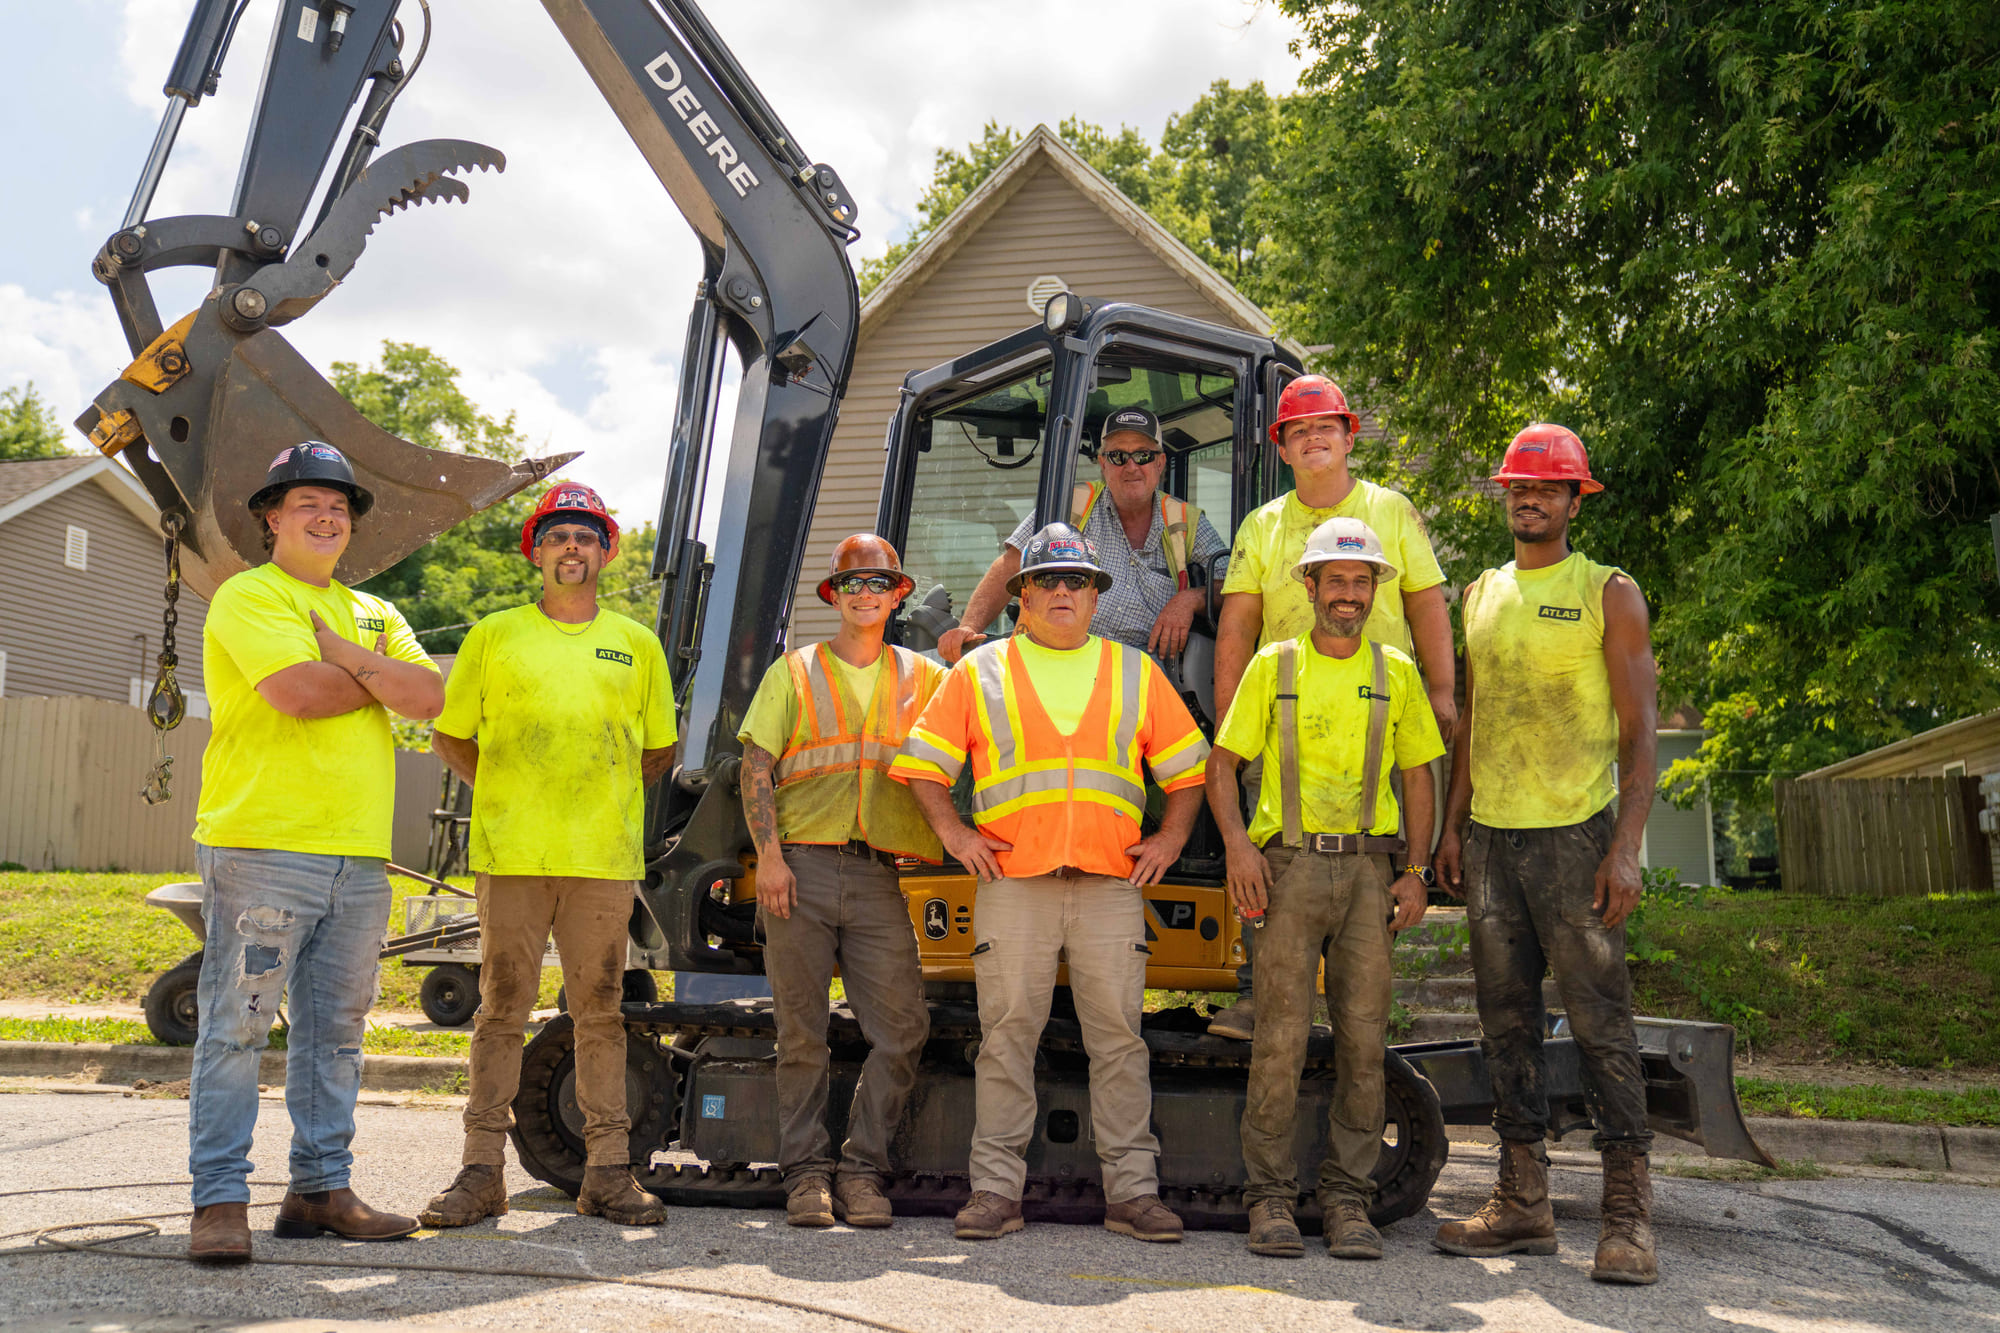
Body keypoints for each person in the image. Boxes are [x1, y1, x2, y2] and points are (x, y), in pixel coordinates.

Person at [891, 523, 1211, 1244]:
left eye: (1078, 581)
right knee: (1006, 1035)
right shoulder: (982, 671)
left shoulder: (1135, 671)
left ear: (1096, 598)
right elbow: (923, 767)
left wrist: (1170, 838)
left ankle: (1133, 1193)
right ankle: (995, 1191)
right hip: (1014, 882)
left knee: (1119, 1041)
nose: (1063, 591)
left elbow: (1189, 769)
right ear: (1022, 597)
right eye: (1047, 581)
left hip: (1107, 885)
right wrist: (955, 834)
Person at [187, 441, 443, 1263]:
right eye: (307, 502)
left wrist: (348, 657)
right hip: (264, 848)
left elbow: (430, 697)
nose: (327, 516)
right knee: (238, 1028)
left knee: (336, 1033)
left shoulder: (373, 612)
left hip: (358, 859)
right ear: (271, 516)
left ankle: (319, 1189)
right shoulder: (248, 595)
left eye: (339, 506)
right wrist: (371, 680)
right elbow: (295, 695)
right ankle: (220, 1201)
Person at [1430, 424, 1662, 1285]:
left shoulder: (1610, 592)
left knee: (1603, 1025)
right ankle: (1522, 1199)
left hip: (1577, 835)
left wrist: (1627, 848)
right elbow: (1475, 724)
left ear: (1575, 499)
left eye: (1546, 488)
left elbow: (1640, 737)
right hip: (1492, 836)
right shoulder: (1481, 591)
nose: (1528, 499)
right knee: (1506, 1023)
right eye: (1516, 488)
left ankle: (1628, 1215)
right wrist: (1452, 827)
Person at [419, 483, 677, 1231]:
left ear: (608, 551)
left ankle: (607, 1173)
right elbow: (450, 734)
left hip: (601, 859)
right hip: (514, 853)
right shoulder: (495, 635)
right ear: (537, 550)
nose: (573, 546)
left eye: (587, 535)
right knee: (500, 1010)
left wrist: (590, 797)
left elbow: (657, 750)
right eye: (559, 534)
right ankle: (480, 1173)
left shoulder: (637, 643)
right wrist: (508, 789)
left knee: (600, 1012)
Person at [1205, 517, 1443, 1260]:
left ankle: (1348, 1200)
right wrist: (1241, 847)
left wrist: (1416, 869)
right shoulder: (1273, 665)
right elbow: (1222, 765)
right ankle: (1270, 1198)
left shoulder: (1396, 670)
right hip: (1291, 869)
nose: (1348, 593)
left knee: (1364, 1044)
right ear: (1308, 586)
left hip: (1371, 873)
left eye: (1361, 580)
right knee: (1276, 1038)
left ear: (1375, 588)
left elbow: (1418, 775)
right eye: (1334, 580)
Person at [1208, 375, 1454, 1043]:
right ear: (1282, 447)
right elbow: (1238, 624)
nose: (1312, 437)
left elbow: (1428, 602)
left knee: (1372, 871)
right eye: (1298, 430)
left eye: (1325, 426)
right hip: (1288, 725)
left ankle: (1359, 1013)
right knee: (1271, 868)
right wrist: (1236, 715)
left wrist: (1440, 690)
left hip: (1377, 723)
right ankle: (1262, 997)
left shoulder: (1392, 511)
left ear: (1349, 436)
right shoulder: (1263, 526)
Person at [735, 535, 945, 1229]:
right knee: (802, 1031)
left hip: (881, 872)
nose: (863, 592)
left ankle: (861, 1170)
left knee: (902, 1027)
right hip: (800, 867)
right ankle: (805, 1176)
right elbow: (756, 765)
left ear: (897, 594)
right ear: (835, 594)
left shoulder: (926, 676)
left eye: (877, 581)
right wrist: (768, 854)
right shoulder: (793, 671)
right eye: (851, 582)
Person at [938, 406, 1227, 665]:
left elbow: (1231, 584)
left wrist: (1190, 600)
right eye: (1117, 456)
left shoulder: (1186, 520)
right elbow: (1012, 564)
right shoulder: (1071, 504)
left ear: (1160, 463)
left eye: (1142, 455)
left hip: (1149, 667)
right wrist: (969, 627)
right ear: (1102, 463)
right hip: (1064, 657)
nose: (1131, 466)